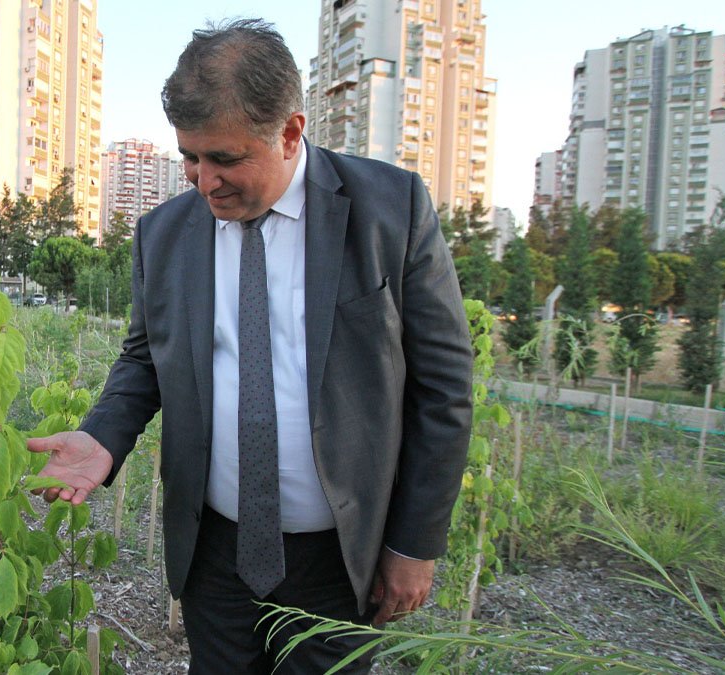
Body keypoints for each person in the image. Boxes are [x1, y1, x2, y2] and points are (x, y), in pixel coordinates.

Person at [27, 18, 472, 673]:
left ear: (290, 132)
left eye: (225, 158)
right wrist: (104, 434)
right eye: (190, 157)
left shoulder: (389, 210)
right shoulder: (165, 234)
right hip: (217, 554)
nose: (203, 181)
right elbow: (146, 357)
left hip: (339, 559)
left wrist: (414, 542)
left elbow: (444, 387)